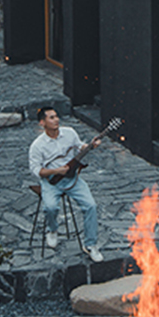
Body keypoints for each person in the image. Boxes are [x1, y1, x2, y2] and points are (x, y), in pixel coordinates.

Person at [28, 106, 104, 262]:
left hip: (72, 179)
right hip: (51, 182)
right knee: (50, 207)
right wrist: (56, 171)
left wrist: (89, 146)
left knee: (91, 206)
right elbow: (36, 170)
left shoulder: (69, 133)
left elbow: (79, 146)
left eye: (56, 116)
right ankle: (52, 230)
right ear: (42, 123)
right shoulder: (37, 145)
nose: (56, 120)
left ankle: (90, 245)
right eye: (51, 117)